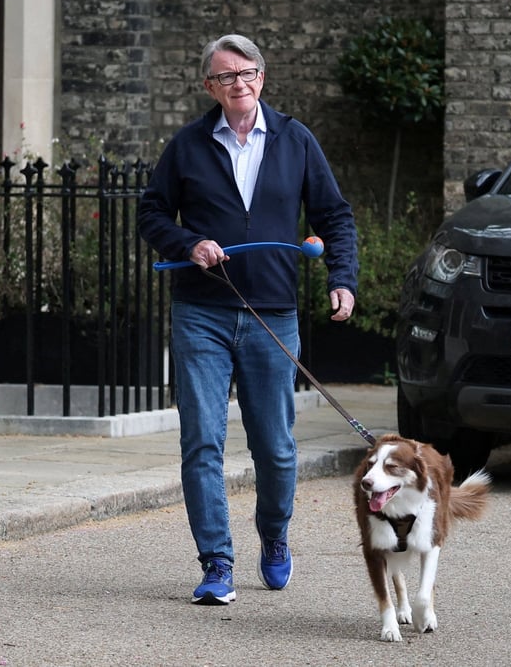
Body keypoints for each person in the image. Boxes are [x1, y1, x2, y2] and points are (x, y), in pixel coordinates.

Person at [137, 34, 359, 605]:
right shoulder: (187, 145)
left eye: (248, 72)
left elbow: (334, 215)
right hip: (201, 313)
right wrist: (189, 244)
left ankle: (275, 536)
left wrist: (342, 279)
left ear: (263, 76)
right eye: (225, 76)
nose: (239, 83)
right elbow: (152, 212)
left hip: (272, 313)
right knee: (202, 442)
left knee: (276, 448)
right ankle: (216, 563)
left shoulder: (296, 139)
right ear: (208, 86)